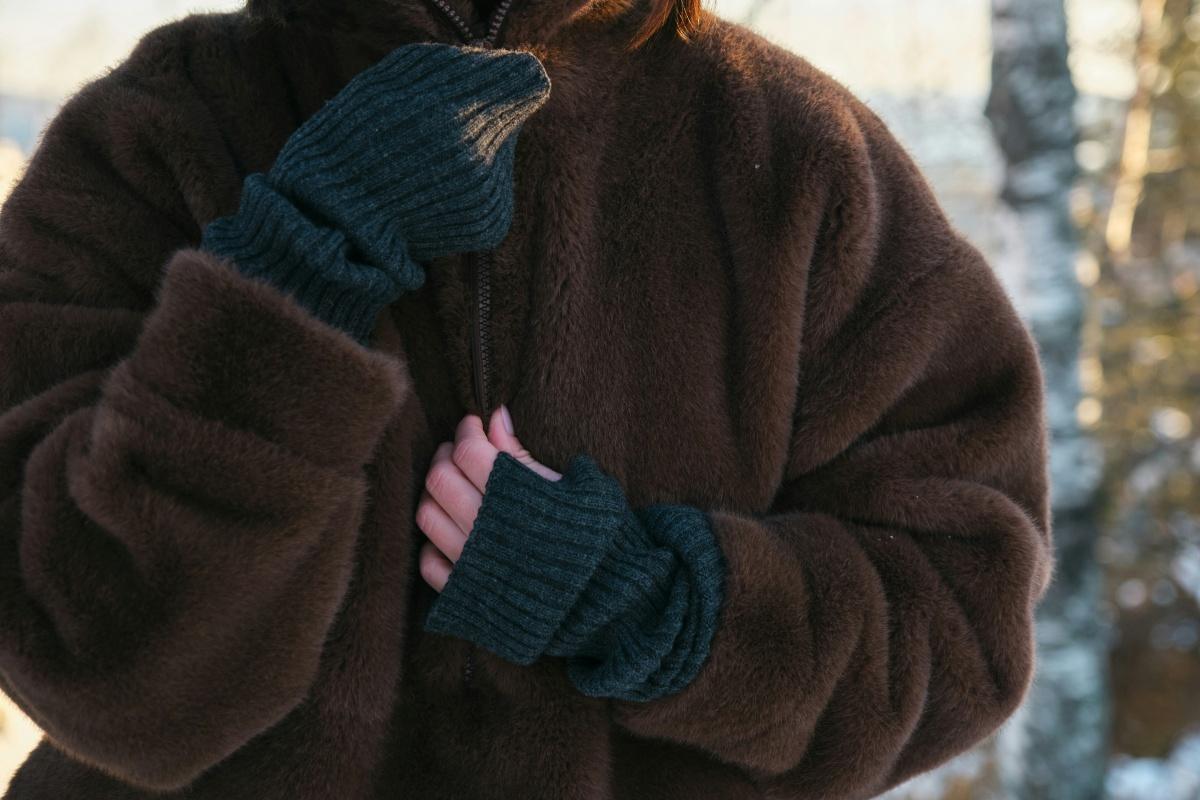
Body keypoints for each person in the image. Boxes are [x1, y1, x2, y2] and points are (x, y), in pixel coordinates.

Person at [0, 0, 1056, 797]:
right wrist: (300, 260)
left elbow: (964, 612)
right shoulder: (160, 132)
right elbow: (87, 659)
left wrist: (652, 606)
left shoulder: (796, 155)